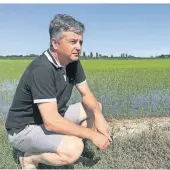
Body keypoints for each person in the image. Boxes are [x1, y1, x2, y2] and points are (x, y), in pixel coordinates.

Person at [5, 14, 112, 169]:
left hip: (50, 118)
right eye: (73, 42)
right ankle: (30, 158)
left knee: (96, 107)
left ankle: (66, 145)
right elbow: (51, 122)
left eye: (80, 42)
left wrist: (99, 116)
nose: (79, 47)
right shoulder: (42, 69)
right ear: (55, 43)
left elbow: (86, 94)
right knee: (74, 149)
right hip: (24, 129)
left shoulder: (73, 62)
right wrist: (93, 134)